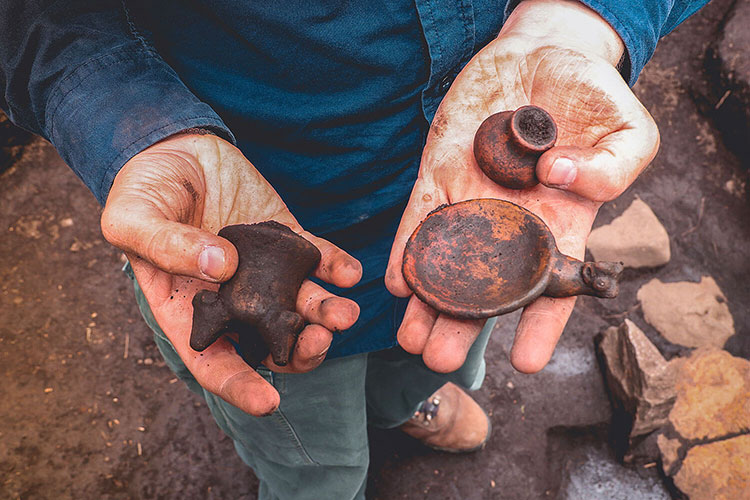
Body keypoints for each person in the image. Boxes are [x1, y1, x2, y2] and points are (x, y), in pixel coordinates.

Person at [1, 0, 707, 497]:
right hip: (252, 206)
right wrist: (135, 128)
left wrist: (578, 19)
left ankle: (404, 409)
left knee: (434, 367)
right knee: (316, 462)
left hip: (456, 212)